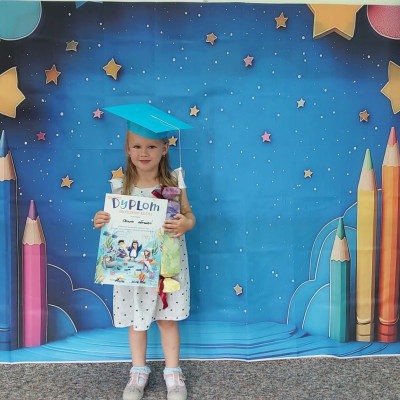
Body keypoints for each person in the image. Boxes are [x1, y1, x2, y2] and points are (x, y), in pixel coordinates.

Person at [93, 104, 195, 400]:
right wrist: (100, 220)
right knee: (136, 320)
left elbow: (189, 215)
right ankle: (138, 372)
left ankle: (173, 373)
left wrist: (185, 224)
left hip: (166, 266)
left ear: (164, 148)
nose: (144, 153)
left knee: (167, 319)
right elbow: (111, 226)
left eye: (151, 146)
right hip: (133, 268)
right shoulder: (120, 187)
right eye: (137, 146)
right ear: (128, 149)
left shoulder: (173, 183)